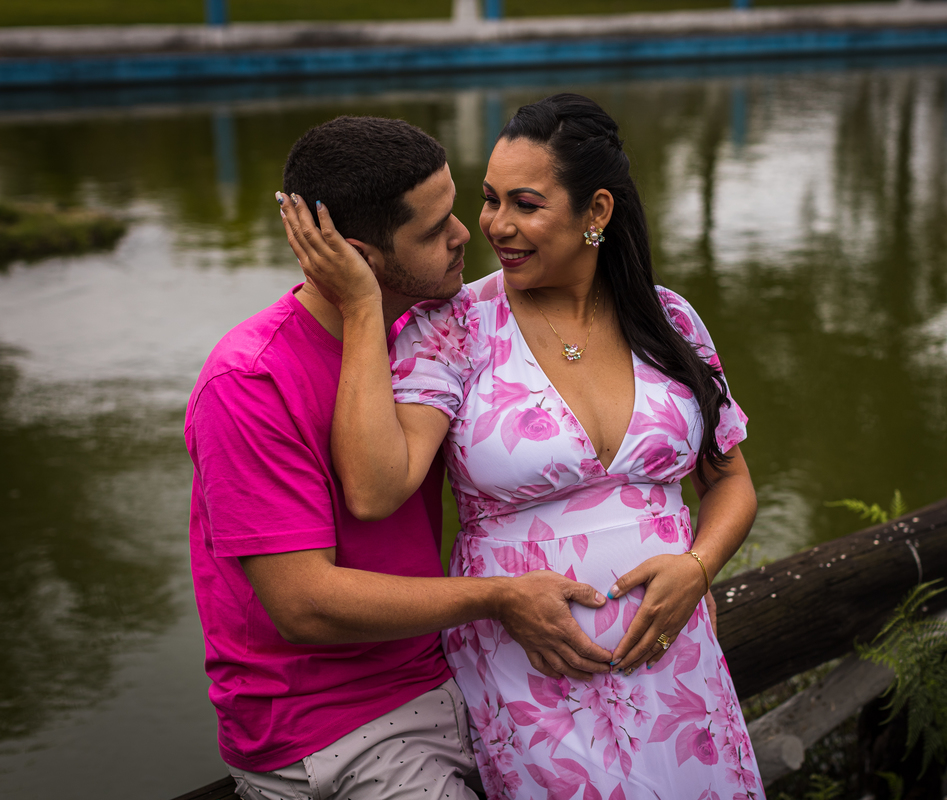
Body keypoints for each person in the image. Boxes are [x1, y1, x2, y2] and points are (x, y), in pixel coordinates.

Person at [285, 94, 764, 798]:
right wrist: (362, 308)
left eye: (526, 204)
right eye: (489, 200)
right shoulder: (455, 328)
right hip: (531, 667)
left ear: (595, 212)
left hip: (676, 663)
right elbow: (375, 486)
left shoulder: (670, 321)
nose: (495, 226)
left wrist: (699, 566)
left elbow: (731, 482)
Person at [186, 115, 617, 800]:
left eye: (456, 209)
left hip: (442, 677)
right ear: (360, 256)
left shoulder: (424, 336)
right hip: (330, 725)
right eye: (433, 228)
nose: (465, 234)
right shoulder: (248, 382)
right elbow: (304, 605)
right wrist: (501, 598)